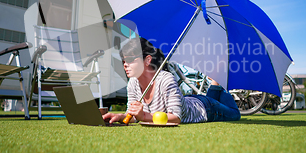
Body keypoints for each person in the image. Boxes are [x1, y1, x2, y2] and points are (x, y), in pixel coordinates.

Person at [103, 38, 241, 125]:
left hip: (205, 109)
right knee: (210, 97)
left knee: (235, 115)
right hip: (187, 101)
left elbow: (176, 117)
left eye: (130, 59)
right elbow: (133, 115)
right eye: (123, 61)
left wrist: (144, 116)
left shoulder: (166, 79)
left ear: (147, 60)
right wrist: (121, 116)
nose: (125, 64)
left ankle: (218, 82)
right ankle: (215, 84)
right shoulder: (132, 83)